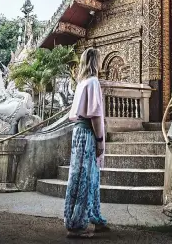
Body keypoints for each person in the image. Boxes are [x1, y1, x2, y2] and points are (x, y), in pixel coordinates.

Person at [64, 47, 108, 238]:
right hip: (88, 133)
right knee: (86, 178)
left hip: (78, 133)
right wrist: (100, 141)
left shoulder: (82, 83)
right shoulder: (93, 82)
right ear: (94, 62)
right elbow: (95, 116)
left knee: (82, 175)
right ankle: (77, 225)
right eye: (99, 60)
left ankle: (94, 217)